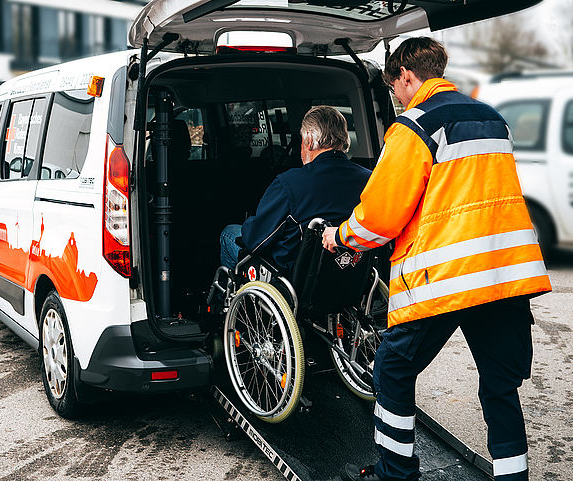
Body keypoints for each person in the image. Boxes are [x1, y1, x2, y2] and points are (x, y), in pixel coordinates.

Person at [322, 37, 551, 481]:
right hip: (504, 275)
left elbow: (381, 216)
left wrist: (340, 236)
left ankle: (395, 472)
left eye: (395, 88)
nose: (397, 98)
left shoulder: (415, 126)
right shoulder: (492, 119)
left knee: (391, 369)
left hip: (446, 278)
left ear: (407, 76)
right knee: (501, 387)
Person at [220, 105, 371, 272]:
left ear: (310, 140)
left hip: (293, 280)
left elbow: (255, 242)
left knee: (229, 234)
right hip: (353, 274)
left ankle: (226, 297)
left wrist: (250, 223)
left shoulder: (289, 183)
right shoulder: (370, 180)